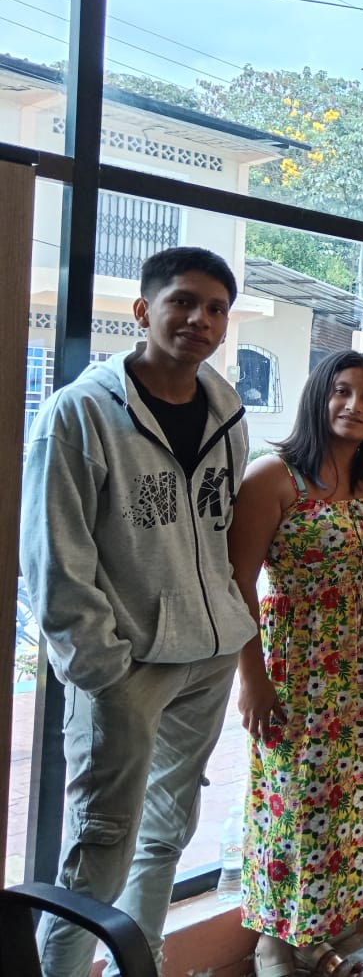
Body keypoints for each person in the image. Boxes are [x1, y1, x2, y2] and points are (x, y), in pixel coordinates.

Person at [20, 247, 254, 977]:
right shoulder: (80, 413)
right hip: (127, 666)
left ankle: (140, 962)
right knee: (100, 841)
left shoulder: (226, 410)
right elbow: (53, 555)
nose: (199, 319)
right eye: (182, 301)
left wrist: (226, 627)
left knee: (167, 832)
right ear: (144, 310)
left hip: (208, 656)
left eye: (215, 308)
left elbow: (218, 527)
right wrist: (102, 666)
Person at [228, 352, 363, 977]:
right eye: (342, 391)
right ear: (317, 397)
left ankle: (315, 933)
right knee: (293, 799)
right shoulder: (274, 476)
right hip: (300, 664)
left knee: (350, 798)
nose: (354, 406)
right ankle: (272, 942)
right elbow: (236, 582)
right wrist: (252, 677)